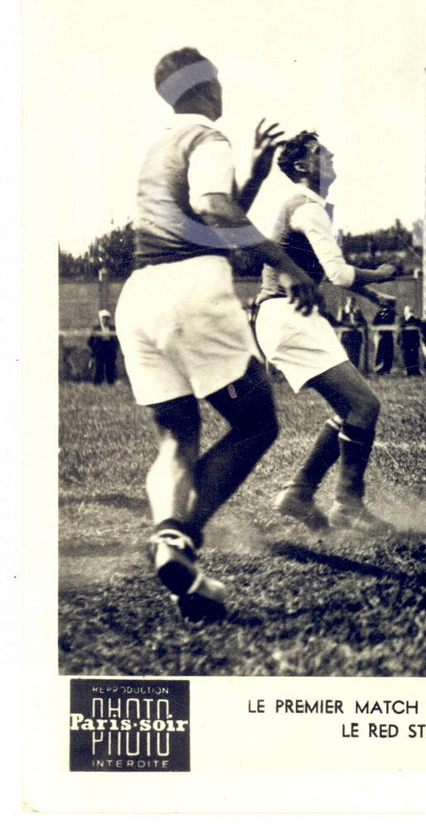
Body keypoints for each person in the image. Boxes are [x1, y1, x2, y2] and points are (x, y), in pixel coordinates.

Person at [115, 47, 319, 622]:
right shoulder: (207, 138)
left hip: (139, 298)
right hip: (191, 292)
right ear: (205, 85)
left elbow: (211, 218)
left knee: (177, 439)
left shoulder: (157, 145)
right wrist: (289, 265)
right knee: (255, 424)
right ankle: (179, 538)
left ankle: (171, 542)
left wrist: (253, 175)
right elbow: (213, 209)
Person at [253, 131, 397, 533]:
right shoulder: (308, 208)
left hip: (287, 315)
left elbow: (323, 269)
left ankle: (299, 493)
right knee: (364, 406)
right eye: (320, 152)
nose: (330, 155)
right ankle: (347, 505)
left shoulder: (305, 207)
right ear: (302, 166)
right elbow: (339, 273)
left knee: (351, 409)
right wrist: (381, 273)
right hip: (288, 316)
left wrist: (371, 295)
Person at [87, 309, 119, 386]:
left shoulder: (113, 328)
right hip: (99, 350)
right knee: (99, 367)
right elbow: (90, 341)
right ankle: (97, 384)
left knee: (110, 367)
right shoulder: (96, 328)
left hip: (109, 349)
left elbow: (116, 339)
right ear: (100, 319)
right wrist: (94, 349)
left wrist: (114, 348)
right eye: (103, 318)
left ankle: (110, 383)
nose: (105, 320)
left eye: (107, 318)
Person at [339, 296, 368, 373]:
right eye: (350, 302)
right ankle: (347, 372)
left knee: (356, 355)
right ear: (347, 303)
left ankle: (355, 371)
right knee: (347, 355)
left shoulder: (358, 312)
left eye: (353, 303)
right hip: (347, 337)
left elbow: (364, 323)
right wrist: (350, 325)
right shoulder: (343, 311)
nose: (351, 304)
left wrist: (358, 324)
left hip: (356, 337)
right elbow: (339, 322)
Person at [373, 298, 397, 375]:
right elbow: (374, 323)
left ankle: (387, 369)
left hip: (388, 335)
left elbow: (392, 322)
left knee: (388, 352)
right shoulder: (379, 313)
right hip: (381, 335)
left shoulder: (392, 313)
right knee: (380, 352)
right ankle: (379, 370)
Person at [398, 305, 424, 376]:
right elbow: (401, 325)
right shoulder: (402, 319)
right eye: (408, 311)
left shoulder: (415, 319)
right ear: (404, 312)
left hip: (413, 341)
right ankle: (409, 372)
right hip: (404, 341)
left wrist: (414, 317)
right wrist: (408, 318)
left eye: (410, 311)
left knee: (414, 356)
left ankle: (415, 372)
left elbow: (420, 324)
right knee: (406, 357)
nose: (409, 312)